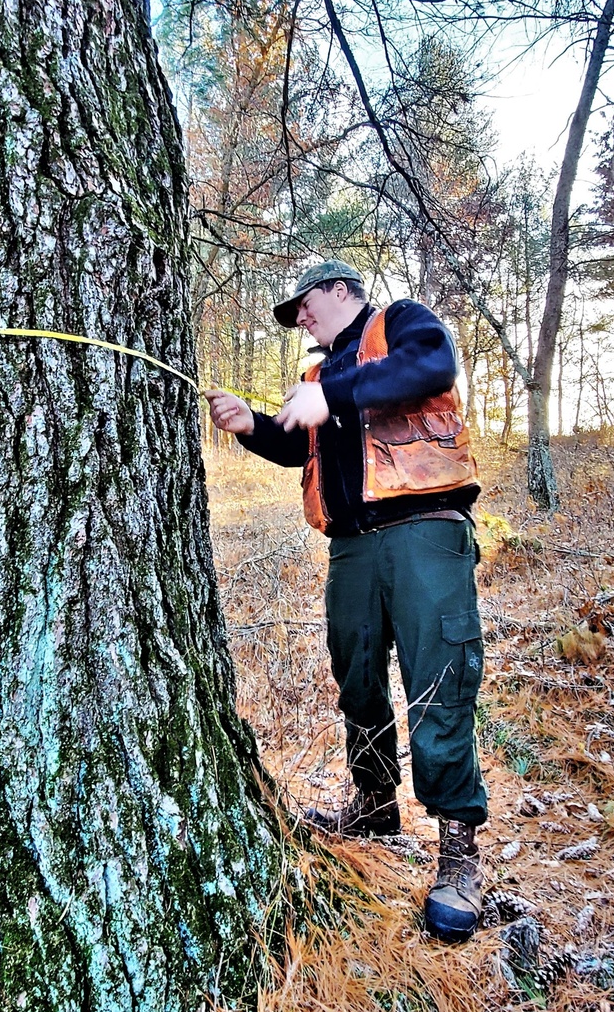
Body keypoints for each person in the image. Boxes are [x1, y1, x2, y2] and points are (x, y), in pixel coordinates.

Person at [206, 261, 487, 944]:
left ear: (340, 291)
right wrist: (253, 425)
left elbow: (432, 368)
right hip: (353, 547)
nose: (299, 318)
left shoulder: (400, 325)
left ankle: (458, 853)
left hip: (425, 531)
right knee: (356, 677)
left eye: (303, 305)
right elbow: (299, 444)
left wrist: (335, 393)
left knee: (439, 683)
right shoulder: (317, 378)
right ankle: (373, 804)